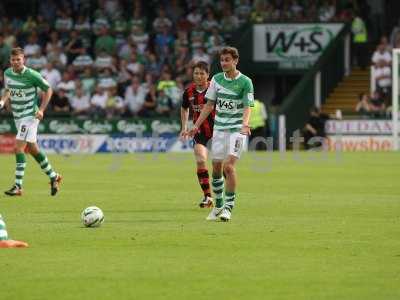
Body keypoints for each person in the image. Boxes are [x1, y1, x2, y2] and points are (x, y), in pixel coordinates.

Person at [188, 47, 254, 222]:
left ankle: (228, 208)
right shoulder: (216, 80)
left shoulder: (246, 82)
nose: (224, 63)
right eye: (222, 60)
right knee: (216, 169)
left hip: (237, 130)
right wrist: (196, 125)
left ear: (235, 61)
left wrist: (245, 124)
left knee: (229, 167)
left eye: (227, 60)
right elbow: (209, 105)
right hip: (219, 130)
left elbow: (248, 106)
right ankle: (218, 206)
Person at [0, 47, 62, 196]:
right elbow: (8, 90)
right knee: (33, 150)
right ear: (10, 60)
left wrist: (41, 109)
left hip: (30, 115)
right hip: (18, 116)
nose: (15, 62)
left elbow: (48, 90)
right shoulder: (7, 73)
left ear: (23, 59)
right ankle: (54, 177)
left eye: (18, 59)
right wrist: (3, 102)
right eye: (13, 60)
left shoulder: (32, 75)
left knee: (18, 148)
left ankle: (18, 186)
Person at [180, 61, 215, 208]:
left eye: (202, 73)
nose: (199, 76)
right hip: (199, 132)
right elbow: (184, 108)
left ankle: (225, 196)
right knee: (200, 160)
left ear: (208, 75)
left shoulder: (215, 90)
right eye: (196, 73)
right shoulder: (189, 92)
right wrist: (184, 127)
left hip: (218, 131)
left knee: (223, 167)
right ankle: (207, 197)